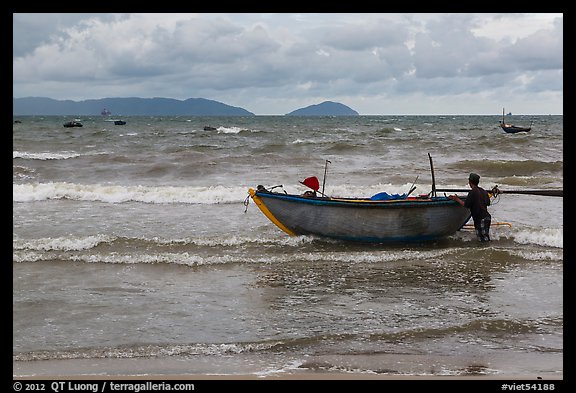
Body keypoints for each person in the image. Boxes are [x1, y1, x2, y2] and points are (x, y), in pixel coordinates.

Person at [449, 173, 491, 242]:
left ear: (470, 182)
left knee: (483, 240)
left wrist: (457, 199)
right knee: (484, 238)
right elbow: (488, 203)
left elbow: (466, 205)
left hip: (480, 219)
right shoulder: (483, 191)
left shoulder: (472, 192)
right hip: (487, 217)